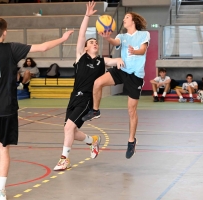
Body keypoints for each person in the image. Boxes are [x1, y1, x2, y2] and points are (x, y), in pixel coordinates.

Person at [0, 18, 73, 200]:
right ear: (5, 32)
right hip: (8, 107)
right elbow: (43, 47)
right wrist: (63, 38)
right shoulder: (11, 48)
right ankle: (0, 191)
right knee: (4, 148)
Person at [54, 1, 124, 171]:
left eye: (96, 42)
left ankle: (64, 159)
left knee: (69, 127)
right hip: (73, 97)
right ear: (85, 48)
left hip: (87, 99)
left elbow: (114, 61)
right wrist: (87, 16)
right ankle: (93, 140)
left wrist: (120, 59)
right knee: (70, 130)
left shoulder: (101, 61)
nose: (94, 43)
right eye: (91, 42)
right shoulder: (80, 57)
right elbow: (81, 35)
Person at [82, 11, 150, 159]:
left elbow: (143, 50)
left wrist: (135, 51)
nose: (124, 19)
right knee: (98, 82)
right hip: (122, 69)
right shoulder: (122, 36)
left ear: (133, 20)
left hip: (135, 76)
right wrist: (108, 38)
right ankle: (95, 110)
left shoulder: (144, 34)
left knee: (131, 110)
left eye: (126, 17)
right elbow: (115, 42)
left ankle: (131, 141)